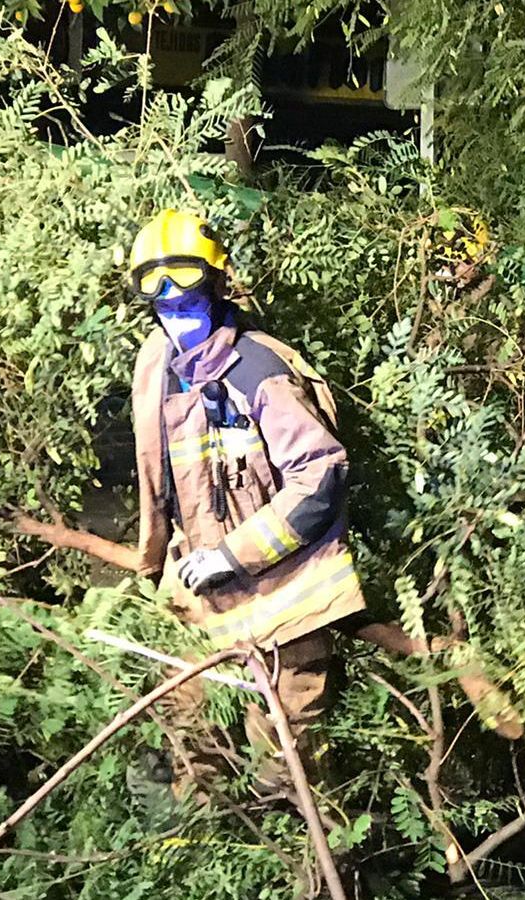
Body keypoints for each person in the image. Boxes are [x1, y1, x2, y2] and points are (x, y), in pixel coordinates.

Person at [126, 209, 366, 792]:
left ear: (217, 285)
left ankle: (312, 869)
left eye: (186, 293)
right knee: (190, 747)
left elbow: (321, 476)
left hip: (289, 604)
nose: (174, 308)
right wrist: (159, 566)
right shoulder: (155, 365)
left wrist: (233, 555)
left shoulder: (261, 371)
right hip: (202, 597)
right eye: (158, 297)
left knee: (285, 772)